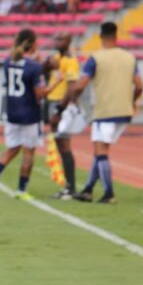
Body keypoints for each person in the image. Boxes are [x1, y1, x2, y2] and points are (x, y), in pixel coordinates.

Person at [66, 21, 143, 204]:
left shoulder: (96, 58)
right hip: (124, 111)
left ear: (100, 37)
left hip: (105, 111)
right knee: (99, 150)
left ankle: (109, 192)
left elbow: (82, 84)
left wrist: (73, 98)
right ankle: (88, 189)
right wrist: (132, 101)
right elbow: (139, 86)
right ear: (117, 36)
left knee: (101, 151)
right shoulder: (129, 57)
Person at [0, 29, 50, 201]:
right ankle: (21, 190)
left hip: (12, 112)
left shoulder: (8, 61)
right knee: (28, 152)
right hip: (29, 114)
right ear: (33, 44)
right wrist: (56, 82)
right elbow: (39, 94)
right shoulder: (35, 67)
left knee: (12, 148)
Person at [44, 31, 81, 199]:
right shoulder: (57, 59)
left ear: (69, 41)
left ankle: (70, 187)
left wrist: (60, 110)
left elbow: (72, 87)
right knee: (60, 145)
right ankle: (68, 186)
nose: (56, 41)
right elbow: (45, 69)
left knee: (64, 145)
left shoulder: (70, 60)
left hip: (61, 104)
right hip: (53, 101)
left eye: (60, 39)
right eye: (56, 37)